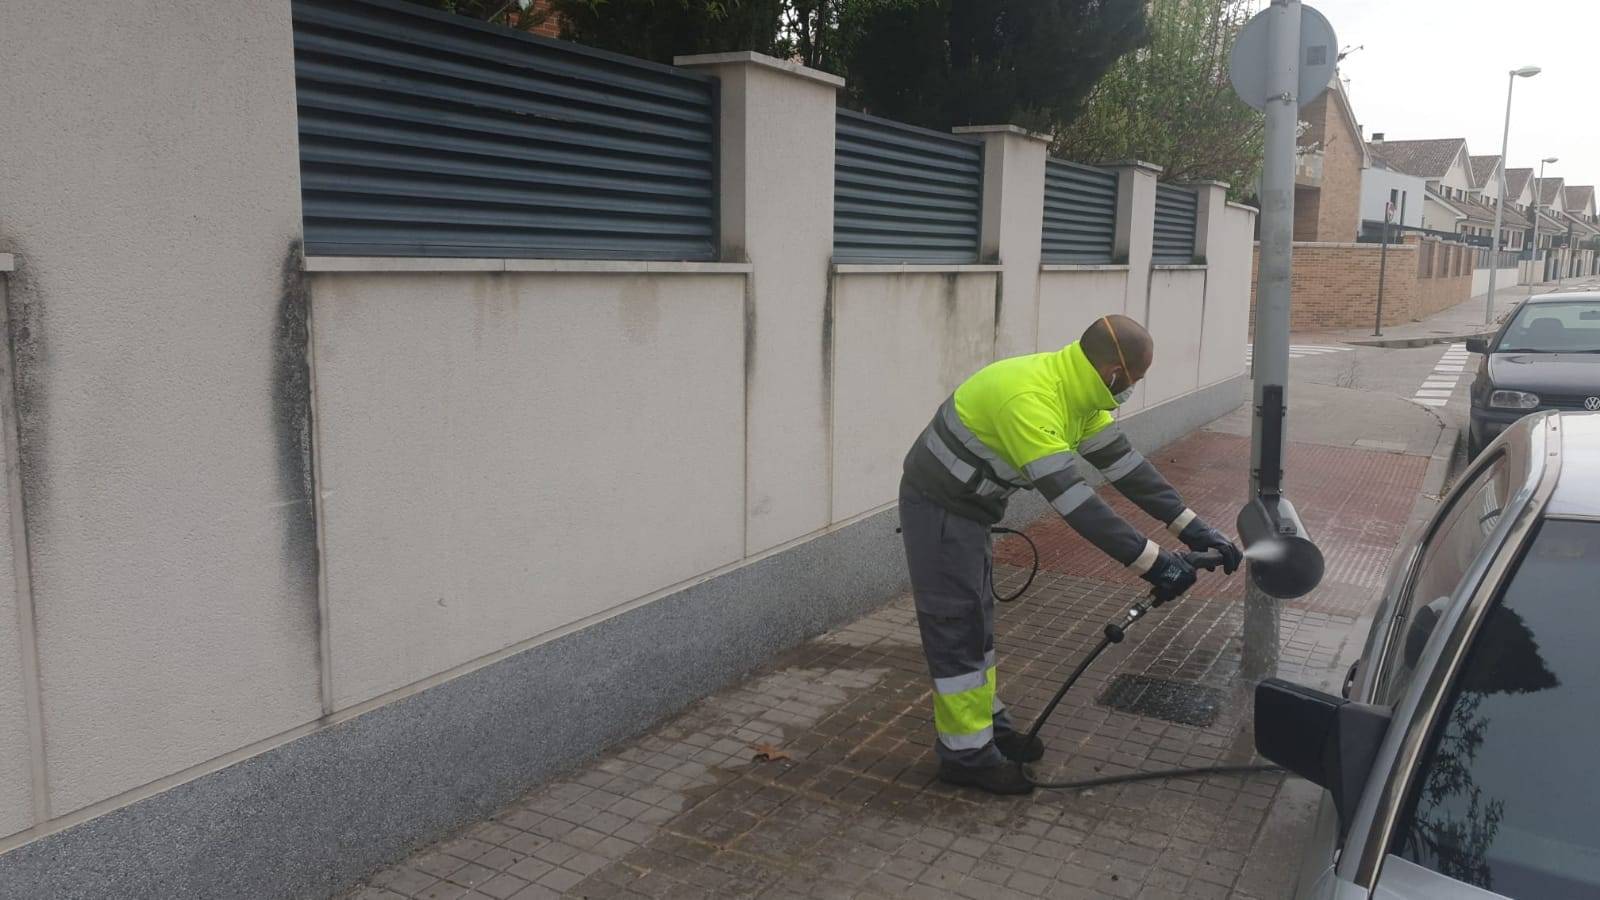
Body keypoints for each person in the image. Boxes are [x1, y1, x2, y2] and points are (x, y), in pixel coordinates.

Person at [898, 314, 1242, 795]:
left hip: (970, 510)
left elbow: (1128, 469)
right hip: (938, 509)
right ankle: (966, 758)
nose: (1132, 391)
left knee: (977, 620)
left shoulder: (1077, 393)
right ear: (1114, 374)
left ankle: (986, 728)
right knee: (956, 624)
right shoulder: (1031, 400)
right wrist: (1156, 564)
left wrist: (1196, 530)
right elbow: (1075, 502)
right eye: (1135, 381)